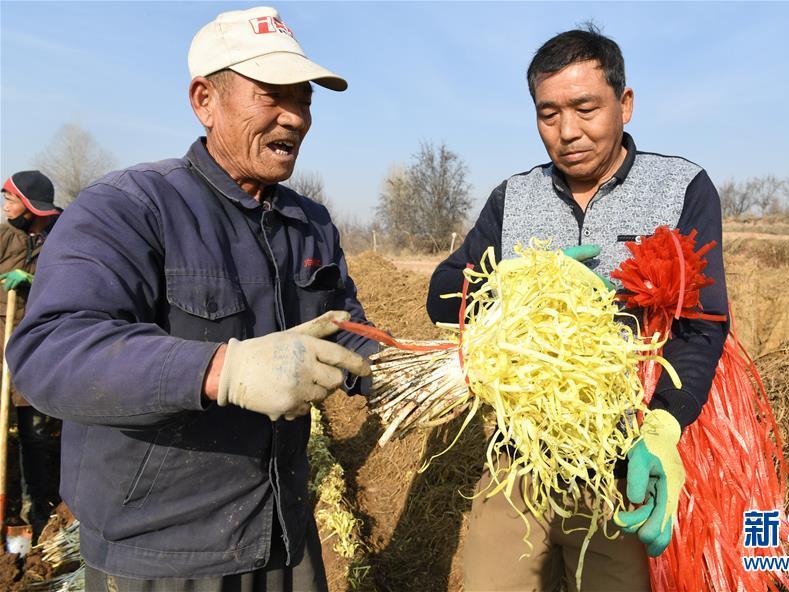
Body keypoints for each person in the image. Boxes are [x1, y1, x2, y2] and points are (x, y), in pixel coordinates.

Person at [7, 6, 377, 590]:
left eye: (303, 98)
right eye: (271, 95)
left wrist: (418, 366)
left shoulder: (311, 224)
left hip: (286, 534)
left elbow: (346, 325)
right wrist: (222, 370)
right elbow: (51, 350)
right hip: (162, 553)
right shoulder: (128, 207)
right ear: (205, 100)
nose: (295, 117)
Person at [427, 25, 729, 591]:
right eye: (548, 114)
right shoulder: (514, 197)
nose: (567, 132)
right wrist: (520, 281)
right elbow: (444, 293)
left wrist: (664, 425)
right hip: (520, 460)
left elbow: (702, 324)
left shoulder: (682, 188)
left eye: (586, 108)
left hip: (621, 461)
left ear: (626, 104)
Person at [1, 170, 63, 542]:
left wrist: (33, 281)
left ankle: (36, 513)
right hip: (1, 353)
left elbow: (73, 285)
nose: (5, 206)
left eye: (10, 199)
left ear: (29, 206)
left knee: (37, 438)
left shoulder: (59, 243)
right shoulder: (3, 238)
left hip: (37, 355)